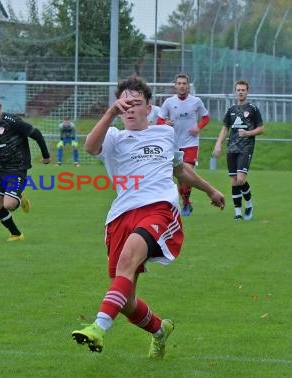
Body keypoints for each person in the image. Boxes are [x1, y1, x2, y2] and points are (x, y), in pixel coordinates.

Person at [71, 76, 225, 358]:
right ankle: (159, 330)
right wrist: (109, 114)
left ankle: (97, 327)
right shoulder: (114, 137)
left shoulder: (164, 134)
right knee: (126, 299)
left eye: (135, 104)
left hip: (158, 209)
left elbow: (180, 170)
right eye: (124, 104)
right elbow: (91, 148)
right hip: (121, 216)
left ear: (149, 107)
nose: (129, 109)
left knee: (129, 259)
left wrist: (210, 190)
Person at [0, 95, 50, 241]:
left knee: (9, 204)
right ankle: (16, 234)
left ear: (0, 107)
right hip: (0, 168)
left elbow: (36, 134)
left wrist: (45, 156)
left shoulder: (13, 122)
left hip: (17, 168)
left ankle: (19, 197)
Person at [157, 73, 210, 216]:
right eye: (179, 83)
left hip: (191, 143)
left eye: (184, 83)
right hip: (174, 144)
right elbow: (160, 120)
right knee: (180, 176)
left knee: (189, 172)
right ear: (175, 86)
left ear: (188, 86)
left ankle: (185, 203)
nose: (181, 86)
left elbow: (206, 117)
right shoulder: (168, 102)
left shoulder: (196, 101)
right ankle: (186, 201)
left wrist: (198, 127)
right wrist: (166, 123)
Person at [213, 80, 264, 221]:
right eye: (238, 90)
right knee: (234, 182)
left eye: (243, 90)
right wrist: (218, 143)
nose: (240, 92)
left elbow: (261, 128)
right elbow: (225, 128)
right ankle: (237, 213)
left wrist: (248, 133)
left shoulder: (253, 109)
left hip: (245, 148)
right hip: (232, 149)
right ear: (235, 92)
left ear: (247, 92)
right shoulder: (231, 110)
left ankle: (248, 205)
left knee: (241, 179)